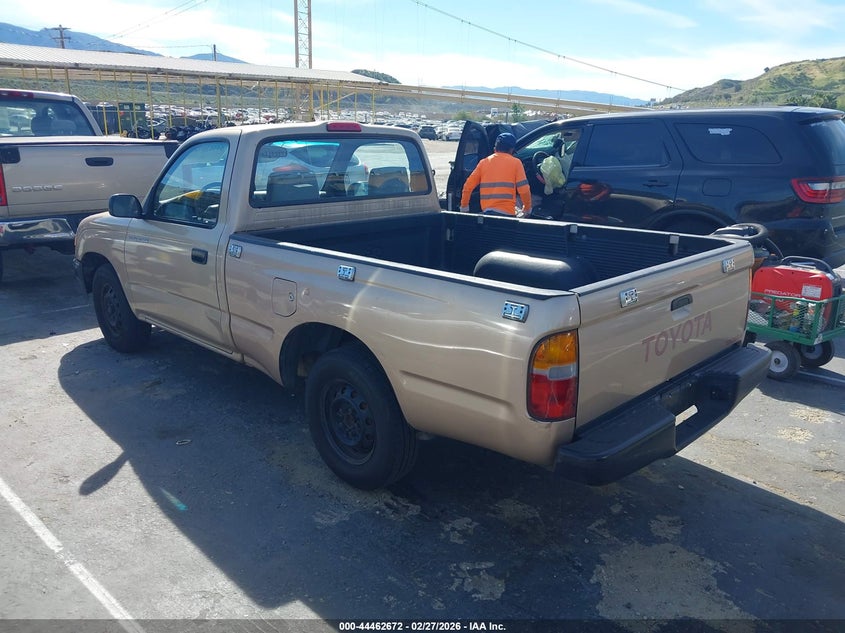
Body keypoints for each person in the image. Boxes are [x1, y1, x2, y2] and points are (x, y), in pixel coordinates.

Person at [460, 132, 531, 217]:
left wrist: (464, 208)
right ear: (511, 150)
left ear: (495, 148)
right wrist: (527, 208)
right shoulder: (516, 163)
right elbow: (524, 190)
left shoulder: (484, 163)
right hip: (507, 214)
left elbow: (468, 186)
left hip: (487, 214)